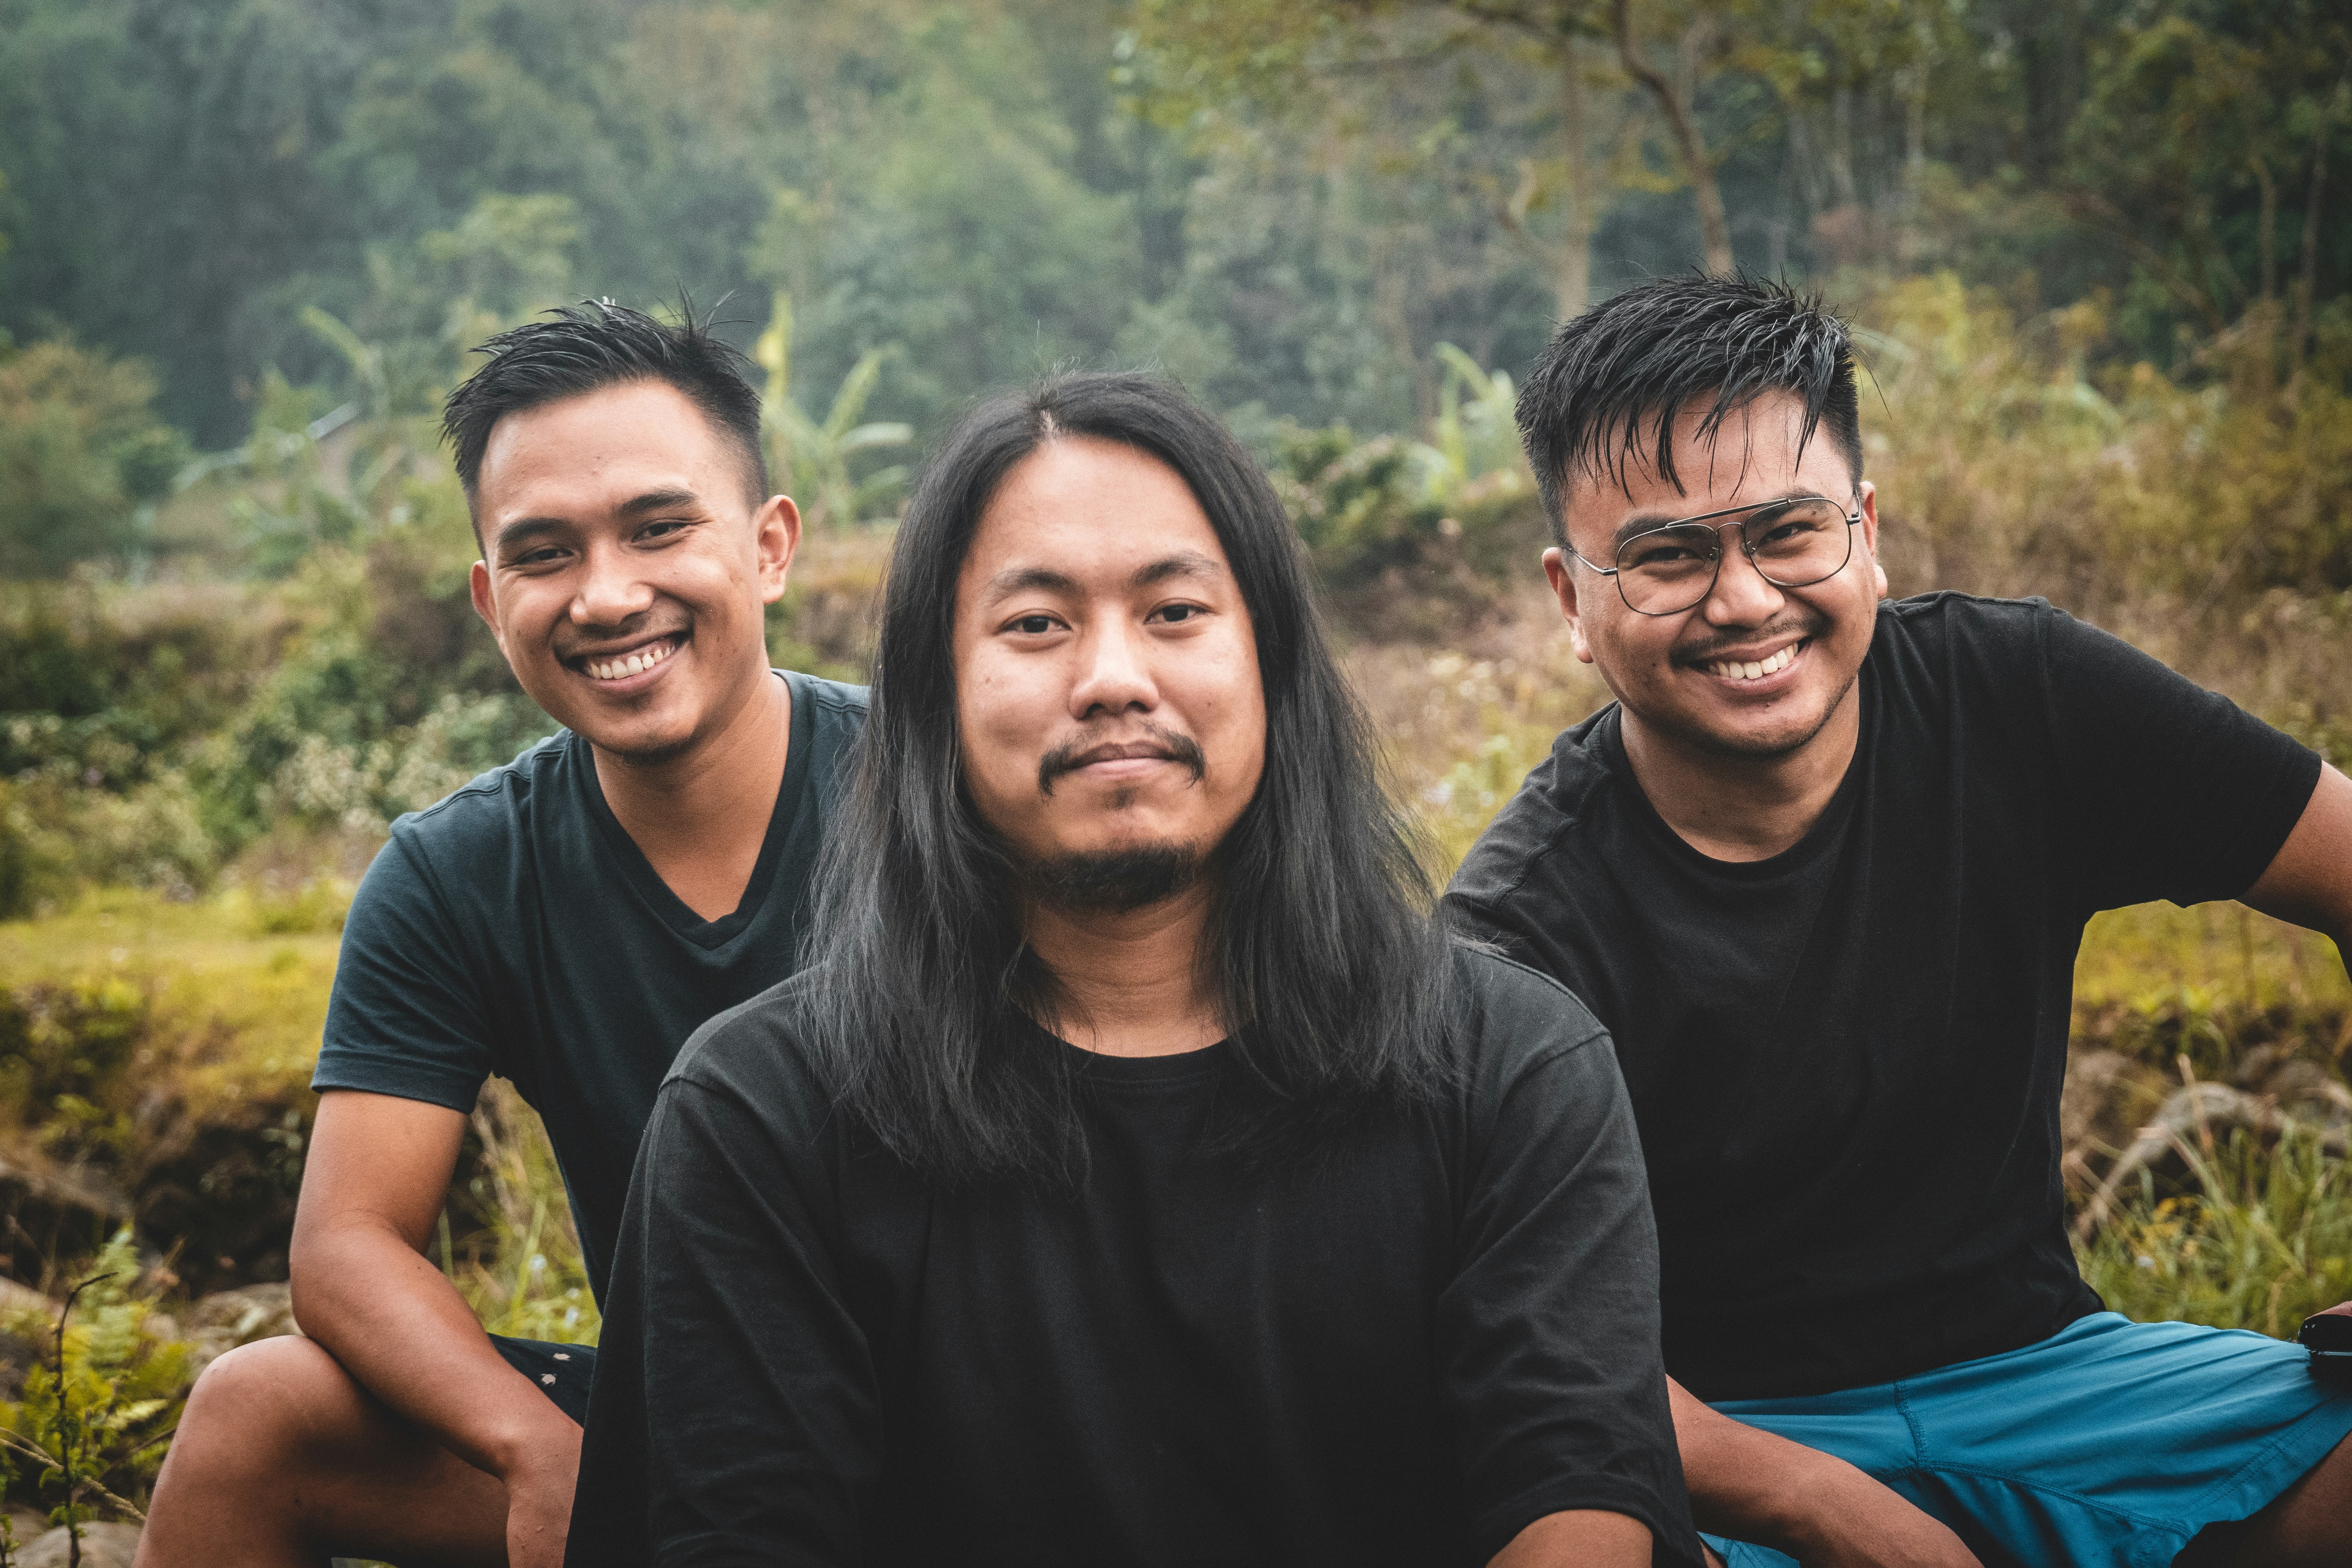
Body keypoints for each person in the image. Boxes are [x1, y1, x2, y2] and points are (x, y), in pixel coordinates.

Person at [564, 372, 1706, 1568]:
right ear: (932, 701)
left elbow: (1576, 1506)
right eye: (1036, 625)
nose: (1113, 677)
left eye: (1174, 612)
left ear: (1272, 667)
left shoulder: (1512, 1071)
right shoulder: (761, 1120)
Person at [1444, 273, 2352, 1568]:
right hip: (1727, 1447)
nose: (1745, 599)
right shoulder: (1517, 933)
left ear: (1865, 531)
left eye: (1789, 532)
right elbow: (1518, 1342)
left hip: (2065, 1383)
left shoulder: (2021, 696)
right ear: (1569, 600)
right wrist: (1839, 1514)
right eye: (1665, 556)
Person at [136, 302, 868, 1568]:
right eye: (545, 554)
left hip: (980, 1412)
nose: (607, 595)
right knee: (256, 1415)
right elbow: (347, 1244)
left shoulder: (943, 792)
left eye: (658, 529)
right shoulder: (460, 871)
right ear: (491, 600)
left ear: (769, 546)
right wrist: (534, 1445)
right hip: (682, 1420)